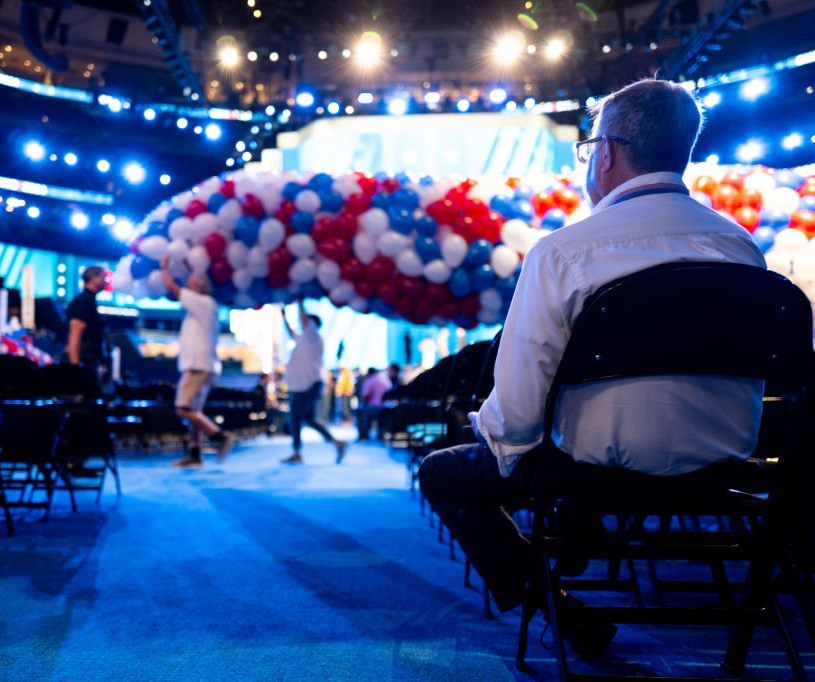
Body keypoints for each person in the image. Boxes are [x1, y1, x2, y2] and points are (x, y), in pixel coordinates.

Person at [417, 79, 766, 660]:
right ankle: (579, 533)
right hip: (725, 471)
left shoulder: (564, 253)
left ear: (605, 153)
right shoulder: (741, 249)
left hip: (591, 472)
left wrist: (490, 431)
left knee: (445, 471)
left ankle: (561, 608)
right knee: (570, 451)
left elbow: (517, 420)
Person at [160, 257, 236, 467]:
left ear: (200, 287)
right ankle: (195, 454)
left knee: (182, 409)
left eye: (191, 282)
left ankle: (220, 437)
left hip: (196, 365)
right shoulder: (207, 306)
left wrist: (165, 267)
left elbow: (171, 287)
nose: (187, 286)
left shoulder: (201, 302)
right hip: (206, 365)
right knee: (194, 412)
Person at [281, 302, 347, 465]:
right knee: (308, 419)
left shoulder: (313, 335)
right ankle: (336, 442)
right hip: (305, 385)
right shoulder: (304, 339)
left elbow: (303, 319)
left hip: (307, 385)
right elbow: (291, 332)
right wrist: (282, 315)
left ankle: (297, 452)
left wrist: (299, 300)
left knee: (295, 418)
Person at [65, 266, 107, 382]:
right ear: (93, 278)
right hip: (84, 363)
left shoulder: (88, 300)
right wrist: (76, 368)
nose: (105, 281)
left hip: (86, 362)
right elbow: (75, 334)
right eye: (103, 277)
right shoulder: (85, 301)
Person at [356, 368, 392, 442]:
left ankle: (363, 436)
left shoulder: (369, 380)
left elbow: (366, 396)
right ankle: (380, 435)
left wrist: (365, 405)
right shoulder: (385, 380)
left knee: (360, 412)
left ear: (369, 373)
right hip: (386, 407)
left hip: (373, 406)